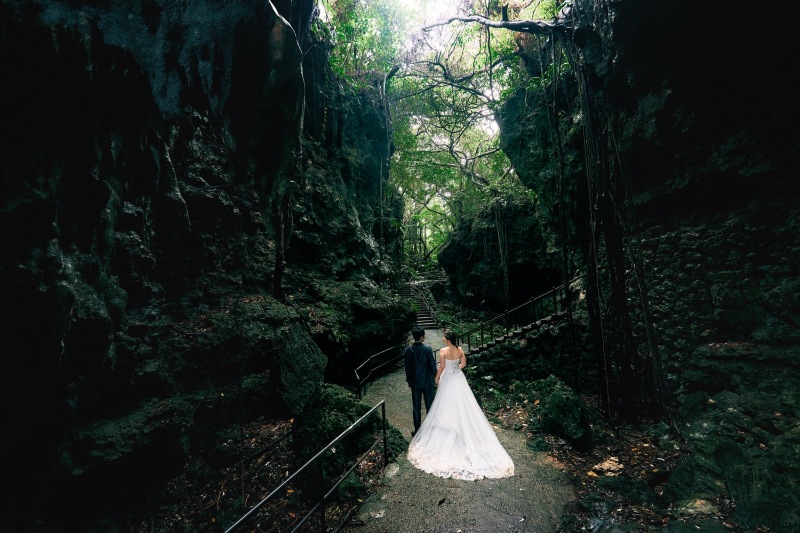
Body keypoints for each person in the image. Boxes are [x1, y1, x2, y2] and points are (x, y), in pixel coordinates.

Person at [406, 330, 514, 481]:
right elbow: (463, 363)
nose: (442, 338)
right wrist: (456, 369)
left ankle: (438, 428)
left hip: (448, 380)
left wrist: (437, 378)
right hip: (458, 378)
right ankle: (458, 426)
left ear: (448, 340)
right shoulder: (460, 350)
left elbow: (442, 367)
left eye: (444, 337)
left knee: (444, 403)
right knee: (462, 403)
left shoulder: (443, 351)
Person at [403, 326, 437, 436]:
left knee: (416, 407)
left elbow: (407, 368)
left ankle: (417, 430)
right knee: (429, 406)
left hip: (415, 383)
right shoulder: (427, 349)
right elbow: (432, 365)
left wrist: (409, 381)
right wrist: (435, 376)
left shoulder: (407, 350)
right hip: (427, 382)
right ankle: (430, 430)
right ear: (422, 336)